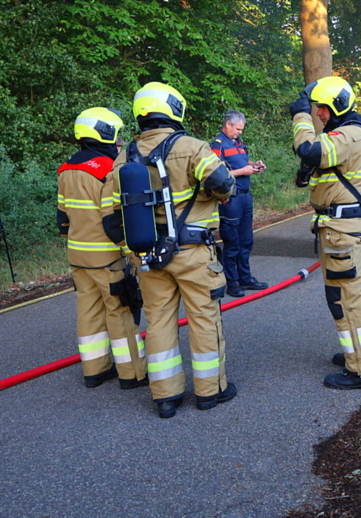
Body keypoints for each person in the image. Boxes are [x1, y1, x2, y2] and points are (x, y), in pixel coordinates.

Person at [101, 82, 238, 419]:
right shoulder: (191, 147)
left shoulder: (124, 156)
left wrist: (131, 249)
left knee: (159, 321)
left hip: (147, 255)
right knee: (203, 318)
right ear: (175, 110)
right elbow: (224, 184)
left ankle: (165, 396)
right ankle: (210, 391)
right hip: (192, 253)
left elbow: (109, 212)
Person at [290, 76, 361, 390]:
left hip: (341, 231)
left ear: (338, 106)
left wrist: (299, 116)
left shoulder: (349, 134)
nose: (319, 115)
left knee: (346, 299)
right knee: (346, 297)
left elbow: (308, 148)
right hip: (341, 228)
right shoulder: (352, 133)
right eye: (315, 109)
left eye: (323, 109)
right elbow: (321, 165)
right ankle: (358, 355)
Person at [57, 108, 148, 390]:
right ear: (105, 132)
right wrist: (133, 253)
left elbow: (62, 219)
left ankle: (95, 370)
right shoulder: (106, 169)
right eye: (115, 134)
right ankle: (132, 373)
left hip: (77, 254)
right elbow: (113, 220)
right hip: (106, 256)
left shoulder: (66, 168)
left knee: (88, 311)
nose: (118, 140)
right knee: (120, 311)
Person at [211, 110, 267, 297]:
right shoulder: (217, 145)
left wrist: (254, 164)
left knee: (246, 240)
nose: (240, 132)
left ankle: (245, 277)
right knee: (232, 242)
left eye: (241, 129)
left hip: (245, 196)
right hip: (230, 198)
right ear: (228, 125)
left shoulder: (238, 143)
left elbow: (241, 161)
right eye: (237, 129)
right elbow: (214, 173)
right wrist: (242, 171)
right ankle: (232, 282)